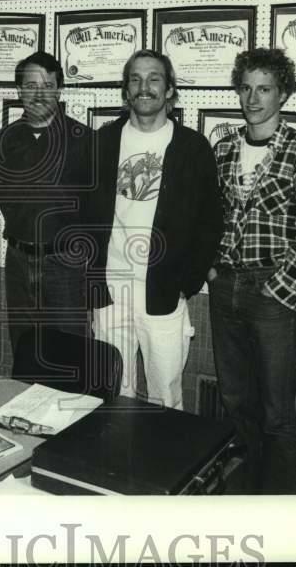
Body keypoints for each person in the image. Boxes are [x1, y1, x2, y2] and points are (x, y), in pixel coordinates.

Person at [207, 48, 296, 494]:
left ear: (283, 93)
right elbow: (209, 217)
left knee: (277, 411)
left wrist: (281, 292)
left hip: (276, 292)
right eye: (246, 88)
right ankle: (244, 499)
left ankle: (277, 509)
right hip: (226, 289)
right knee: (235, 401)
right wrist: (211, 270)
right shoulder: (222, 149)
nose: (253, 98)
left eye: (264, 89)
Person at [88, 49, 222, 409]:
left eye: (154, 78)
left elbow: (210, 222)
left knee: (165, 394)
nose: (143, 87)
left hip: (163, 289)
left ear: (170, 90)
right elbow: (82, 215)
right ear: (125, 90)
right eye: (135, 79)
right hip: (110, 289)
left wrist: (187, 281)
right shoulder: (101, 143)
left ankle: (163, 462)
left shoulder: (192, 148)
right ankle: (115, 463)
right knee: (113, 390)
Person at [0, 51, 97, 360]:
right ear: (20, 90)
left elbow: (95, 209)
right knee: (24, 347)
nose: (39, 93)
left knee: (70, 352)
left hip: (65, 263)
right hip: (19, 261)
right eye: (31, 85)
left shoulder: (84, 139)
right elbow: (6, 200)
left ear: (59, 90)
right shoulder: (3, 140)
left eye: (47, 85)